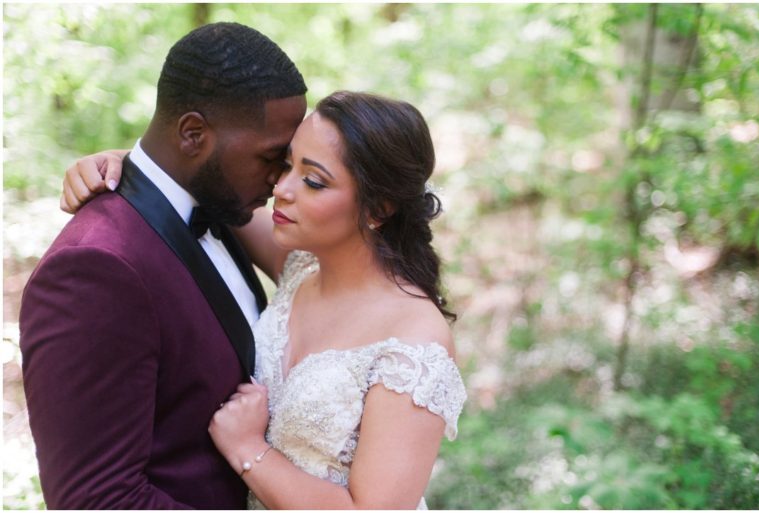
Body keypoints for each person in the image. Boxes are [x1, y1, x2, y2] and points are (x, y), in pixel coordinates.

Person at [62, 91, 467, 509]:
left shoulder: (415, 342)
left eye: (313, 181)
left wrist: (247, 448)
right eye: (286, 164)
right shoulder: (300, 265)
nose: (282, 189)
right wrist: (119, 163)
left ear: (378, 209)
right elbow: (186, 182)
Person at [19, 22, 307, 509]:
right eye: (271, 158)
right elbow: (97, 502)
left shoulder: (218, 207)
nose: (281, 180)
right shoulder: (94, 268)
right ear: (193, 133)